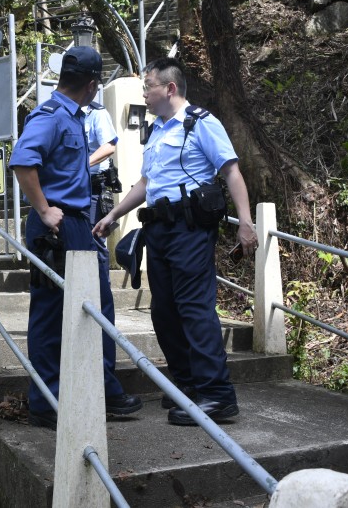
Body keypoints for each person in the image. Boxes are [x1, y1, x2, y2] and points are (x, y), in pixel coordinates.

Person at [93, 57, 258, 426]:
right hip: (159, 232)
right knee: (164, 312)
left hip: (190, 230)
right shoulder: (157, 131)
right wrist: (113, 215)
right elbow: (146, 184)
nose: (144, 93)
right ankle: (188, 389)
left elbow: (231, 171)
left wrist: (245, 222)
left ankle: (216, 395)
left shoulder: (201, 123)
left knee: (195, 310)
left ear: (169, 88)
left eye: (148, 85)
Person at [9, 46, 143, 429]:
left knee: (97, 308)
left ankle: (103, 389)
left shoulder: (73, 116)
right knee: (52, 314)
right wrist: (43, 209)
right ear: (92, 84)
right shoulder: (50, 116)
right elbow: (22, 160)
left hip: (79, 225)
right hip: (56, 227)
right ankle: (46, 402)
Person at [84, 101, 120, 268]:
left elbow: (108, 147)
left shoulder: (97, 113)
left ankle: (103, 292)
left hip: (93, 187)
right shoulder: (65, 114)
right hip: (72, 188)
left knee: (95, 240)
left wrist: (79, 166)